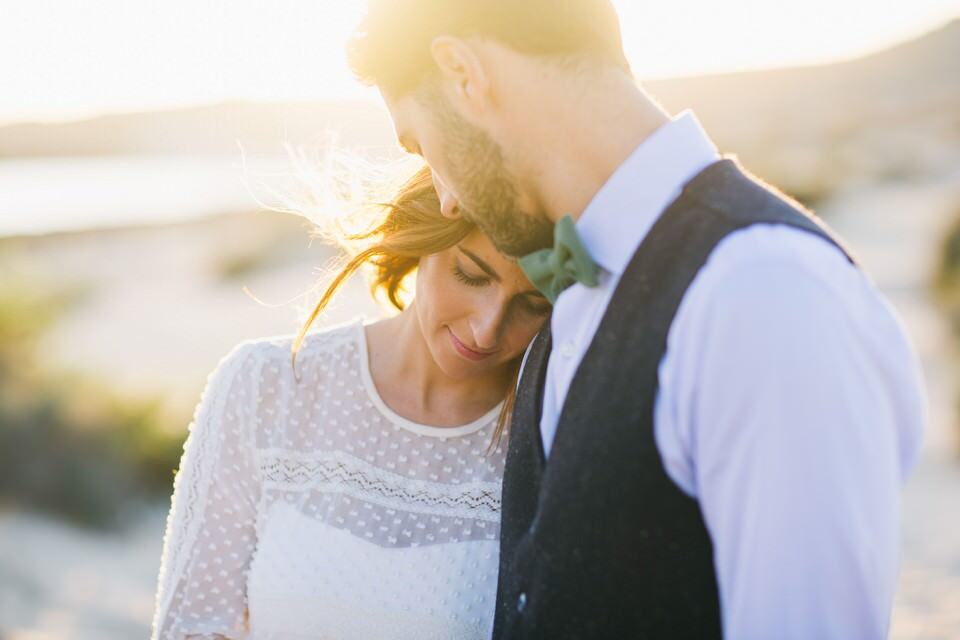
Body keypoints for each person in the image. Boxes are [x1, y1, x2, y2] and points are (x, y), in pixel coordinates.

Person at [347, 1, 928, 638]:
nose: (447, 195)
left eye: (421, 144)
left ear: (464, 73)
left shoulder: (763, 292)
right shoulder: (571, 298)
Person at [150, 165, 551, 639]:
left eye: (531, 304)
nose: (487, 328)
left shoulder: (549, 430)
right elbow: (191, 626)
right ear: (422, 237)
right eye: (470, 274)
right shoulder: (267, 386)